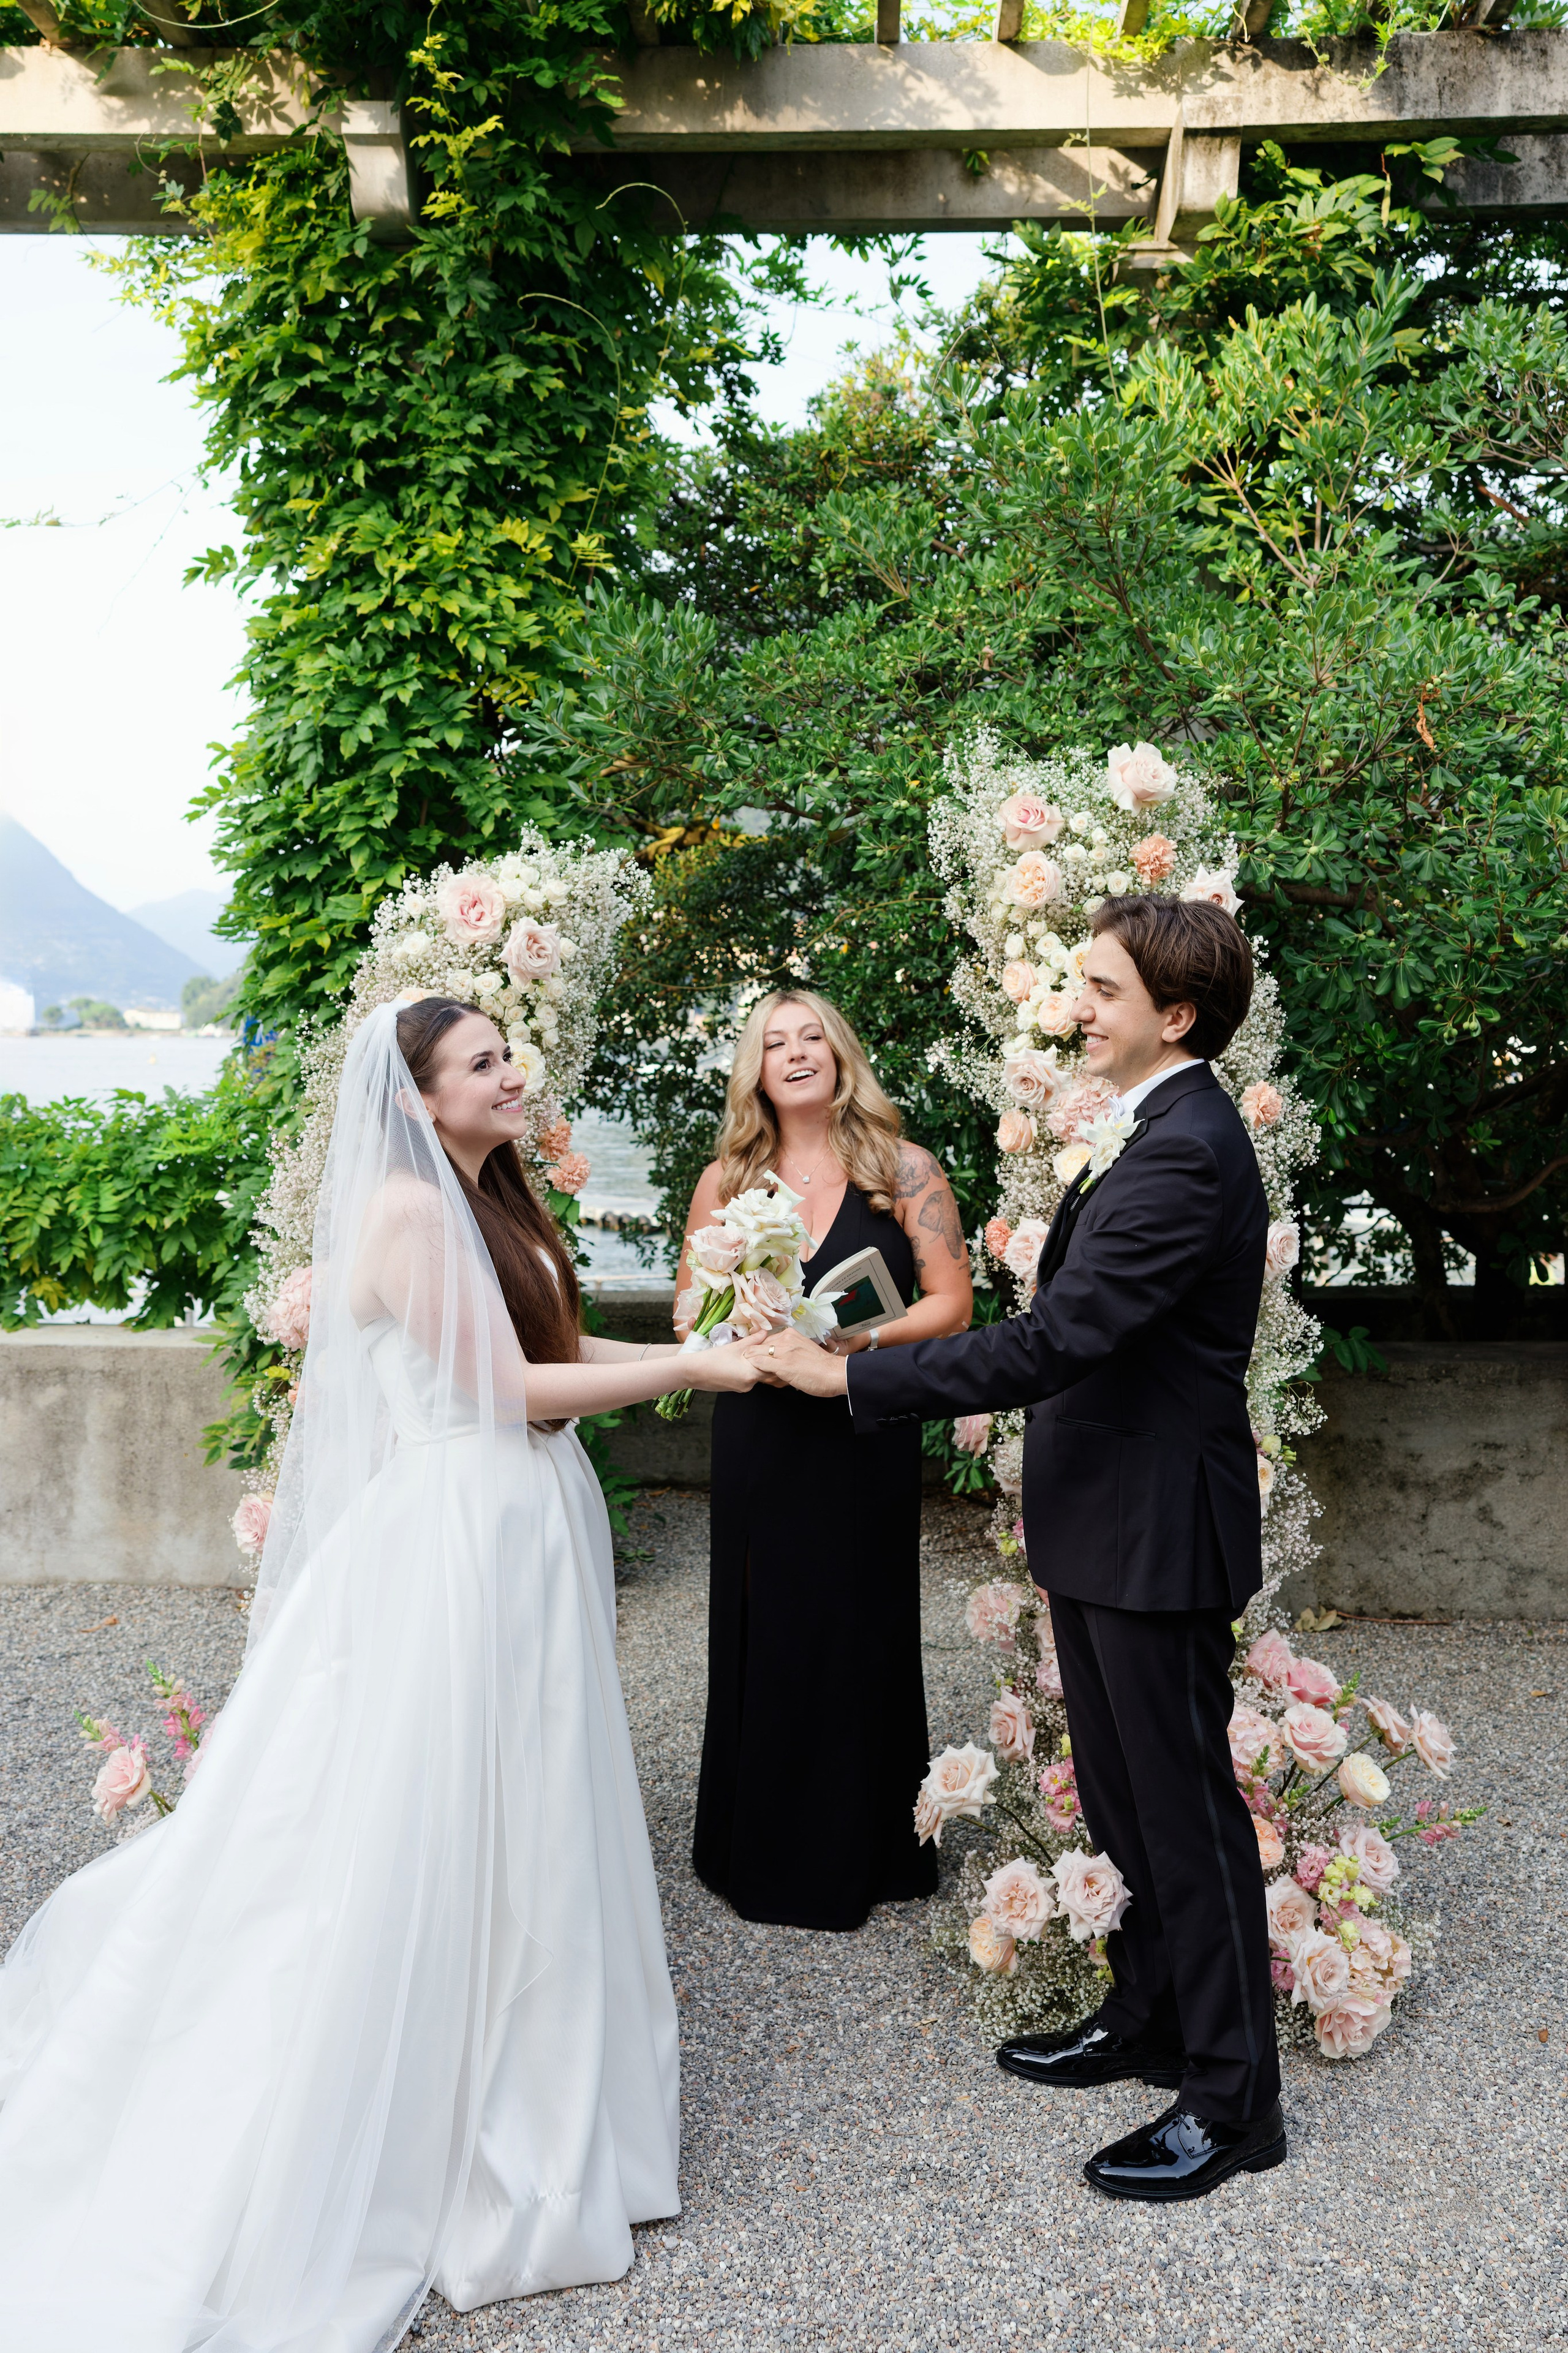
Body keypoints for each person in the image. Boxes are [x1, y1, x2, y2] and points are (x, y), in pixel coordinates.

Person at [0, 995, 765, 2346]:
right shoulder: (411, 1218)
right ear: (414, 1101)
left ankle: (528, 2072)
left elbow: (557, 1351)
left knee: (526, 1805)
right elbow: (502, 1390)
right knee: (424, 1812)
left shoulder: (497, 1204)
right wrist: (693, 1364)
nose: (510, 1073)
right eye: (482, 1062)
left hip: (520, 1532)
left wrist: (708, 1362)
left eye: (504, 1053)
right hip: (453, 1542)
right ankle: (414, 2095)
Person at [758, 900, 1286, 2202]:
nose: (1076, 1006)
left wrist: (849, 1383)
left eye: (1100, 989)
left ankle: (1231, 2102)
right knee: (1121, 1804)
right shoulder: (1150, 1129)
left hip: (1156, 1530)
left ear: (1173, 1015)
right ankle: (1150, 2015)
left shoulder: (1186, 1152)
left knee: (1185, 1817)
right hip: (1105, 1522)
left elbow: (1058, 1341)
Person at [680, 989, 971, 1931]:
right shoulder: (726, 1179)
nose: (798, 1052)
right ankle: (756, 1847)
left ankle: (872, 1849)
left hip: (859, 1427)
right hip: (762, 1436)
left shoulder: (904, 1168)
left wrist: (848, 1348)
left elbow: (950, 1306)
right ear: (755, 1069)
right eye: (776, 1042)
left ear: (841, 1057)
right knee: (769, 1625)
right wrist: (735, 1319)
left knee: (860, 1623)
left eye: (814, 1037)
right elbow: (688, 1314)